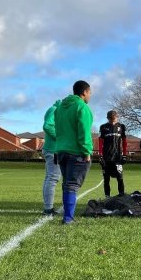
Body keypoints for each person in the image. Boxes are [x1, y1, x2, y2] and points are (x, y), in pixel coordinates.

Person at [55, 80, 93, 224]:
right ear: (84, 92)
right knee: (72, 185)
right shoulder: (82, 107)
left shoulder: (60, 108)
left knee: (66, 184)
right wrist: (87, 151)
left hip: (61, 150)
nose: (90, 96)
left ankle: (67, 216)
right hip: (76, 152)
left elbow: (58, 129)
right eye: (89, 93)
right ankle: (68, 218)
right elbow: (84, 132)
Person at [99, 110, 128, 198]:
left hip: (117, 157)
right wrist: (100, 156)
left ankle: (122, 196)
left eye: (113, 119)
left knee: (120, 177)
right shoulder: (103, 127)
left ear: (117, 117)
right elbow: (100, 142)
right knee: (106, 179)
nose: (112, 121)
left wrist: (124, 155)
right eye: (110, 119)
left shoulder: (121, 127)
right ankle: (107, 197)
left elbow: (124, 141)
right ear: (107, 118)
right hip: (106, 157)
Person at [41, 98, 62, 214]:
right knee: (53, 178)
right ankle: (48, 208)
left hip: (52, 149)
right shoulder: (54, 109)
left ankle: (48, 207)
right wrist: (60, 137)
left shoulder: (55, 109)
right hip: (53, 150)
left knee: (49, 178)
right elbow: (47, 126)